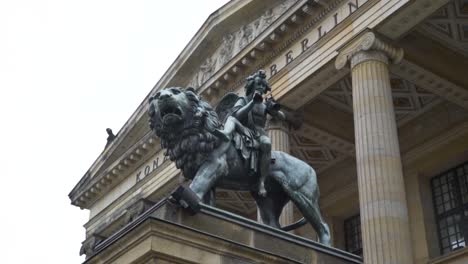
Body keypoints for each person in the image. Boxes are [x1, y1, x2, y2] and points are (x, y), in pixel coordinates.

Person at [214, 70, 285, 196]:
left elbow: (282, 117)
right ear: (252, 85)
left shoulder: (264, 105)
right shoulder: (244, 99)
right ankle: (225, 133)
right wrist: (252, 102)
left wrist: (274, 110)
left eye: (263, 85)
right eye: (258, 84)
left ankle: (262, 181)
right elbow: (236, 114)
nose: (261, 87)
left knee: (267, 144)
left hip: (259, 133)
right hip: (244, 130)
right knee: (231, 119)